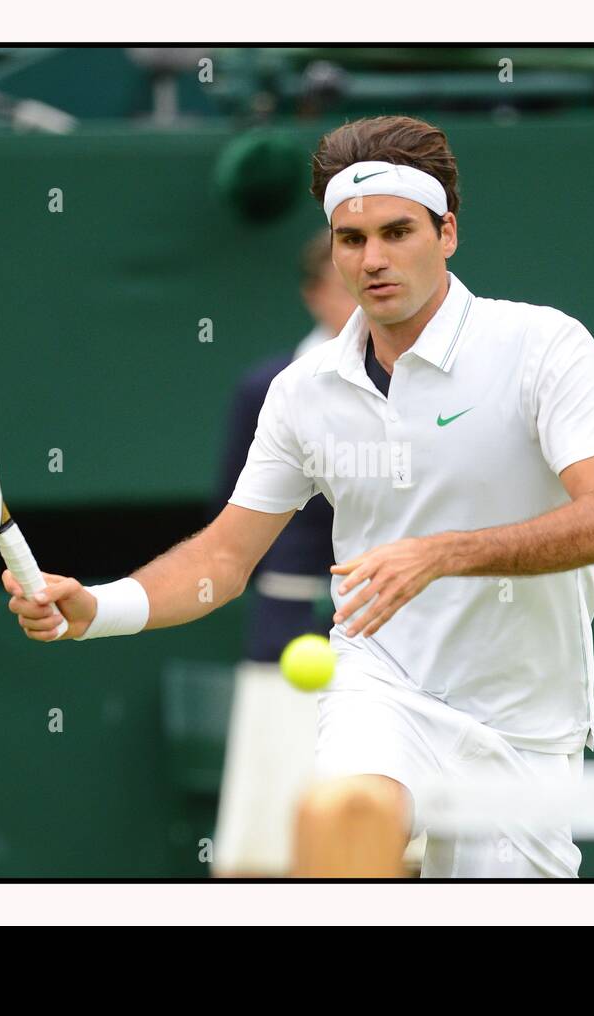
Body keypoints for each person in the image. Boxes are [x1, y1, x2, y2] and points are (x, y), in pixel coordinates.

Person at [3, 114, 594, 878]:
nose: (373, 259)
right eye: (351, 239)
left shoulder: (544, 346)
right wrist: (98, 609)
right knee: (342, 821)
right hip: (381, 684)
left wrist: (441, 556)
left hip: (525, 722)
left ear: (447, 233)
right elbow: (224, 556)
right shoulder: (301, 392)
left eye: (397, 232)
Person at [208, 230, 354, 877]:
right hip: (286, 626)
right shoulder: (267, 386)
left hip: (388, 629)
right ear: (313, 294)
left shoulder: (420, 384)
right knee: (269, 845)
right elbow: (233, 518)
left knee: (387, 838)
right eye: (342, 284)